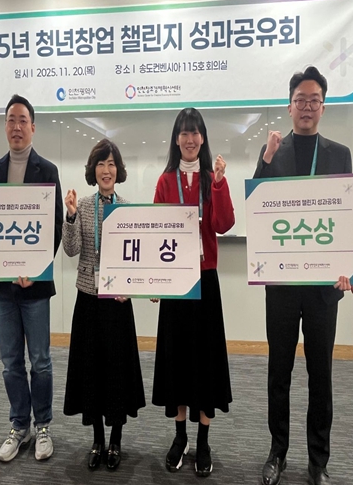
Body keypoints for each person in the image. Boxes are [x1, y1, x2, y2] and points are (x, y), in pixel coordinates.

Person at [254, 66, 353, 485]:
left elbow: (345, 215)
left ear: (323, 107)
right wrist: (265, 159)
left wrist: (349, 267)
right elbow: (258, 206)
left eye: (314, 100)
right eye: (300, 100)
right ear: (290, 106)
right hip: (281, 285)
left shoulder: (339, 153)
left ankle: (318, 461)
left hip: (322, 289)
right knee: (279, 373)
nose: (307, 106)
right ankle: (277, 452)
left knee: (320, 375)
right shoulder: (274, 152)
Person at [0, 94, 63, 463]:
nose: (16, 126)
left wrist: (35, 269)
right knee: (10, 363)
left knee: (41, 360)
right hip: (2, 287)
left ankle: (43, 425)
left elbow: (54, 227)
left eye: (22, 120)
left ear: (33, 127)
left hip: (34, 286)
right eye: (10, 120)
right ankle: (20, 426)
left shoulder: (47, 171)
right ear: (5, 126)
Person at [152, 107, 235, 477]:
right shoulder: (165, 181)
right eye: (184, 133)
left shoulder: (210, 179)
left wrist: (219, 183)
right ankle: (180, 437)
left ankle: (203, 441)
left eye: (195, 132)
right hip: (174, 285)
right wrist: (155, 280)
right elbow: (155, 233)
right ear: (176, 139)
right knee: (178, 363)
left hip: (205, 280)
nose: (189, 139)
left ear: (203, 138)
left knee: (205, 362)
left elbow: (223, 223)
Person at [62, 139, 145, 471]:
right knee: (91, 371)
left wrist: (132, 286)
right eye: (100, 164)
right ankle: (97, 439)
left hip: (117, 303)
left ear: (118, 169)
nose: (106, 170)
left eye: (111, 164)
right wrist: (70, 217)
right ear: (93, 170)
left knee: (117, 372)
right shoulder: (83, 205)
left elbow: (135, 257)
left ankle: (116, 441)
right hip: (88, 300)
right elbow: (71, 250)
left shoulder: (127, 208)